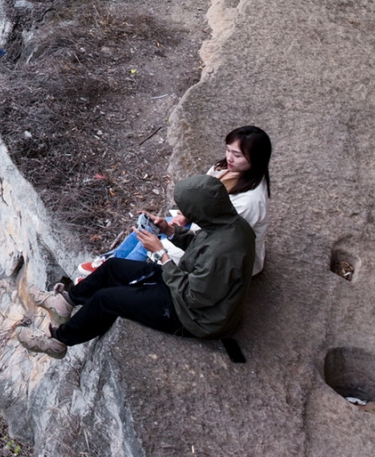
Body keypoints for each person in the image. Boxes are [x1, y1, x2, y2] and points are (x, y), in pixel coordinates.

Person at [16, 174, 255, 359]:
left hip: (195, 316)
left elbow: (194, 297)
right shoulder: (229, 225)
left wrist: (161, 254)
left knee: (107, 299)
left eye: (188, 210)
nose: (184, 213)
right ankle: (64, 302)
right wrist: (171, 231)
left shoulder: (222, 251)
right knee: (114, 267)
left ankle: (57, 341)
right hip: (190, 285)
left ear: (202, 211)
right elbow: (201, 247)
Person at [94, 126, 272, 274]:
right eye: (228, 150)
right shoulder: (225, 168)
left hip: (217, 254)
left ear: (255, 159)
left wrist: (172, 235)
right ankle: (115, 259)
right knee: (148, 228)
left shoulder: (249, 203)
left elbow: (221, 242)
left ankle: (114, 273)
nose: (229, 158)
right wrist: (184, 216)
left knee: (151, 246)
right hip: (203, 228)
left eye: (237, 155)